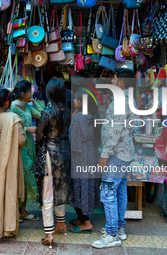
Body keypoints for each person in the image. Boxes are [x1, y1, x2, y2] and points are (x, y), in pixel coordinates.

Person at [91, 68, 136, 249]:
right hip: (125, 153)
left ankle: (111, 235)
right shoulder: (129, 98)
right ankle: (118, 227)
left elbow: (115, 131)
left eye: (114, 79)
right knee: (120, 190)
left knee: (108, 193)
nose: (111, 82)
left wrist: (104, 155)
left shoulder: (120, 101)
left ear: (121, 83)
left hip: (116, 155)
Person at [0, 88, 26, 239]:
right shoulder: (13, 118)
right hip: (8, 160)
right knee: (7, 192)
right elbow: (21, 141)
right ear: (7, 102)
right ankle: (6, 228)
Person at [35, 79, 73, 248]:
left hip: (50, 154)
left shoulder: (48, 111)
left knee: (48, 193)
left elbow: (40, 135)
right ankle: (61, 224)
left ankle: (49, 234)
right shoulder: (67, 111)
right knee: (61, 188)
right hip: (65, 152)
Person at [9, 80, 44, 221]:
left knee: (26, 178)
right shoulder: (13, 108)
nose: (31, 94)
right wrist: (27, 129)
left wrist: (37, 104)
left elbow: (42, 114)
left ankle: (22, 210)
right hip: (18, 148)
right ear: (22, 94)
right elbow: (9, 128)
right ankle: (15, 210)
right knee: (21, 179)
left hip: (29, 147)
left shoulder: (28, 107)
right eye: (29, 92)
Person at [69, 89, 101, 233]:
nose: (74, 101)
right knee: (87, 187)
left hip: (80, 156)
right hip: (92, 154)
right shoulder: (92, 115)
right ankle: (82, 217)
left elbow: (73, 141)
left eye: (76, 99)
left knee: (79, 187)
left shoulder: (78, 118)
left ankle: (86, 222)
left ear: (81, 102)